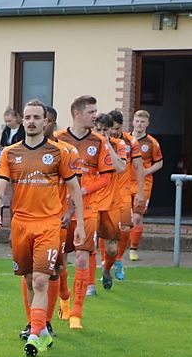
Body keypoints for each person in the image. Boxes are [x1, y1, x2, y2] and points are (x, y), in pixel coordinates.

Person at [0, 99, 85, 357]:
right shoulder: (9, 153)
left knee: (42, 279)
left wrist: (79, 222)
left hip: (49, 224)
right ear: (22, 121)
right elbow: (0, 184)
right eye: (27, 117)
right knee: (29, 279)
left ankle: (34, 335)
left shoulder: (59, 152)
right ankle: (41, 329)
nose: (31, 122)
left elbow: (74, 187)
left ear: (46, 121)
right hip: (20, 224)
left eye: (36, 117)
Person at [54, 95, 113, 330]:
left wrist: (83, 190)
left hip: (88, 209)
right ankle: (64, 298)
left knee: (81, 256)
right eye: (91, 112)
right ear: (77, 114)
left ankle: (76, 313)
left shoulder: (99, 141)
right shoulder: (58, 139)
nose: (95, 116)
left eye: (95, 112)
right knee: (59, 262)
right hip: (61, 209)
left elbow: (107, 177)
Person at [93, 113, 127, 291]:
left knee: (112, 250)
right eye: (98, 129)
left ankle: (106, 269)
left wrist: (106, 145)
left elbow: (121, 167)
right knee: (86, 248)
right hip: (90, 202)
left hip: (110, 203)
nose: (101, 132)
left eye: (104, 129)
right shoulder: (87, 145)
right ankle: (88, 286)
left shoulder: (118, 144)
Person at [109, 110, 143, 279]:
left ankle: (118, 259)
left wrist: (141, 192)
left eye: (117, 128)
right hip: (106, 192)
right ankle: (106, 263)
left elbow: (139, 167)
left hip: (124, 192)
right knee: (107, 230)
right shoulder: (101, 140)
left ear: (122, 126)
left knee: (125, 228)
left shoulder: (131, 142)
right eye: (112, 128)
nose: (114, 132)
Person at [128, 109, 163, 261]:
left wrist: (147, 171)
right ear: (133, 122)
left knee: (137, 216)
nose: (139, 124)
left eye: (142, 121)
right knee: (123, 217)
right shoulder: (125, 140)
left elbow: (159, 162)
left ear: (147, 123)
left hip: (143, 184)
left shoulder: (152, 142)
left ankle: (133, 249)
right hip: (125, 183)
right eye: (137, 121)